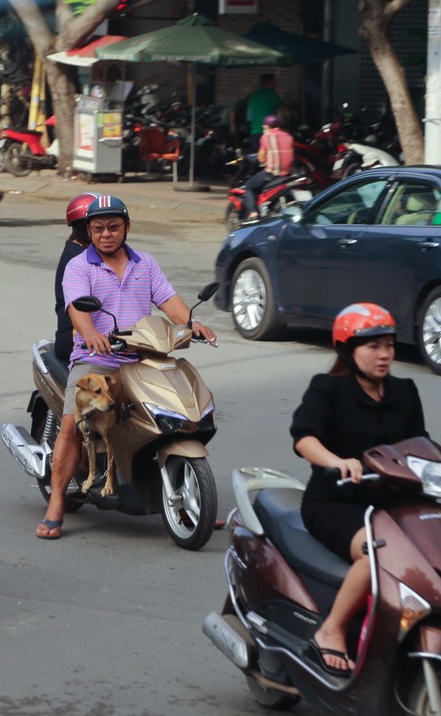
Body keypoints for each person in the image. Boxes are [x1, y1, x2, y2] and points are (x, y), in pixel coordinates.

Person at [36, 194, 218, 540]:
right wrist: (90, 333)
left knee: (178, 410)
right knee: (72, 425)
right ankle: (56, 502)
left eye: (114, 227)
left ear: (127, 228)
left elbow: (170, 302)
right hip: (97, 360)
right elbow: (76, 307)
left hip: (142, 358)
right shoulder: (79, 267)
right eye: (99, 228)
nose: (106, 234)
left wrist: (193, 323)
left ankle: (180, 490)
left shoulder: (145, 264)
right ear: (88, 231)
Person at [290, 303, 441, 675]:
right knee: (377, 554)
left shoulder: (405, 391)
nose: (384, 355)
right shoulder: (328, 389)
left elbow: (420, 445)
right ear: (348, 350)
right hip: (337, 503)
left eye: (389, 346)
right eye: (373, 347)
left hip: (396, 503)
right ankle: (331, 630)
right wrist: (336, 461)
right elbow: (305, 439)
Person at [54, 192, 97, 365]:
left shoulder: (85, 251)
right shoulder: (78, 260)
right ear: (87, 227)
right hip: (76, 341)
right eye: (99, 225)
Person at [242, 114, 294, 221]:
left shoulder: (266, 137)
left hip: (272, 174)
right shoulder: (288, 136)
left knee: (248, 187)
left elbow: (261, 158)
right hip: (288, 174)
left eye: (264, 125)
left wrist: (264, 160)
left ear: (268, 126)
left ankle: (253, 213)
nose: (263, 127)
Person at [246, 73, 282, 147]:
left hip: (255, 131)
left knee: (257, 156)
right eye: (274, 83)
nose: (276, 85)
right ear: (268, 83)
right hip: (269, 132)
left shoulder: (253, 95)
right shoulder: (273, 95)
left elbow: (249, 116)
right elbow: (282, 109)